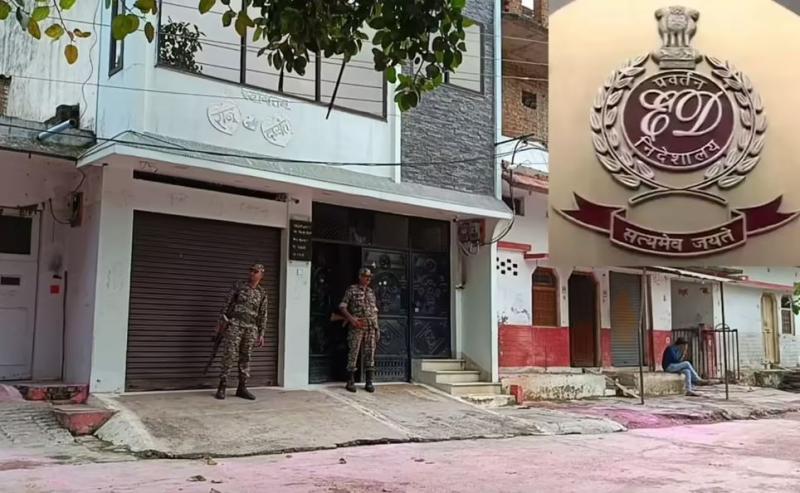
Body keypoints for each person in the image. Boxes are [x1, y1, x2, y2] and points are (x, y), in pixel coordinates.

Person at [215, 263, 268, 400]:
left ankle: (242, 387)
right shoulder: (239, 286)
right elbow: (226, 305)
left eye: (255, 272)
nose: (252, 273)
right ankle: (222, 386)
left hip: (250, 329)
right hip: (235, 326)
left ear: (261, 275)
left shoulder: (262, 293)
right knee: (229, 355)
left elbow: (263, 315)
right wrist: (221, 323)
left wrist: (261, 334)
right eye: (251, 271)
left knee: (246, 358)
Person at [339, 267, 380, 393]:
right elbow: (342, 307)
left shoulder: (371, 292)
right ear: (360, 277)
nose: (368, 279)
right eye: (366, 276)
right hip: (357, 325)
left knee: (370, 353)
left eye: (369, 277)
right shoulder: (352, 290)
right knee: (354, 352)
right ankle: (350, 381)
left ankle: (369, 381)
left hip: (370, 326)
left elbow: (375, 311)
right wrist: (352, 320)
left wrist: (377, 328)